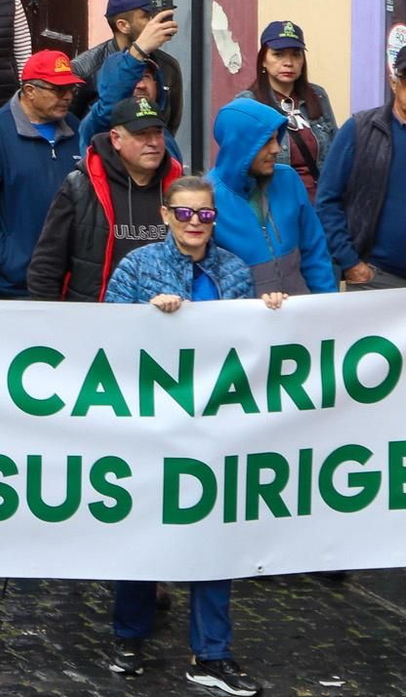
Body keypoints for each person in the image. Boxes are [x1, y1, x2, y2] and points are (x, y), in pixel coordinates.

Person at [100, 173, 278, 697]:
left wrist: (270, 315)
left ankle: (213, 652)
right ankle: (129, 636)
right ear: (165, 215)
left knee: (213, 536)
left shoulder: (233, 269)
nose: (196, 223)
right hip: (149, 422)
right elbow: (105, 333)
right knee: (143, 528)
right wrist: (148, 318)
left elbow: (250, 341)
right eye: (185, 213)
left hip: (214, 425)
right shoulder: (138, 266)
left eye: (205, 215)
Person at [28, 96, 185, 302]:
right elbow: (46, 266)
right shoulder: (82, 185)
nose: (153, 142)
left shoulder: (179, 186)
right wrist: (52, 323)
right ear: (116, 138)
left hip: (165, 317)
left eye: (157, 133)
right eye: (141, 135)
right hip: (95, 319)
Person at [0, 50, 83, 299]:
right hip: (17, 285)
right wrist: (10, 261)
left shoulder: (76, 127)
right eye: (58, 90)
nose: (67, 97)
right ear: (30, 91)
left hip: (71, 281)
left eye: (71, 89)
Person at [207, 95, 336, 296]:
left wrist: (327, 304)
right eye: (266, 141)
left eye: (277, 138)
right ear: (240, 145)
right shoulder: (206, 197)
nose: (277, 149)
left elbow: (315, 252)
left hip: (299, 314)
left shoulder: (288, 179)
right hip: (244, 320)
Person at [316, 43, 406, 290]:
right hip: (376, 279)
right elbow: (327, 200)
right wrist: (350, 262)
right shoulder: (361, 129)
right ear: (394, 82)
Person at [238, 20, 337, 199]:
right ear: (263, 60)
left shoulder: (318, 95)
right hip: (275, 204)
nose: (288, 63)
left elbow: (335, 154)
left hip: (319, 205)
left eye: (296, 55)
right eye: (278, 55)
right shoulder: (248, 103)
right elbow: (240, 166)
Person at [70, 0, 185, 135]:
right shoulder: (85, 68)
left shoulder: (168, 66)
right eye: (148, 16)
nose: (157, 22)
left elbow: (170, 125)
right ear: (123, 26)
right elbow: (71, 127)